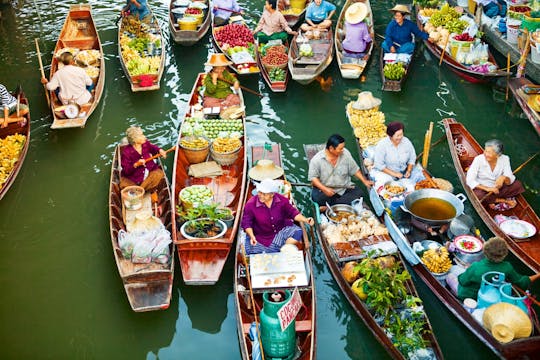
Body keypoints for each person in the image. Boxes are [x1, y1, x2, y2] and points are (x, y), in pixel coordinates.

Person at [446, 237, 540, 300]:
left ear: (485, 251)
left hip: (468, 295)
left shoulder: (475, 267)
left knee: (450, 273)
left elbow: (462, 281)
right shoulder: (507, 267)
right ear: (504, 254)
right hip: (488, 296)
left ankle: (454, 294)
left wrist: (468, 270)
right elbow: (522, 282)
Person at [241, 178, 314, 254]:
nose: (261, 195)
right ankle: (278, 247)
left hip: (280, 228)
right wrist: (252, 236)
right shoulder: (250, 204)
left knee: (298, 232)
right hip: (262, 235)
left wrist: (306, 220)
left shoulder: (282, 200)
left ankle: (283, 248)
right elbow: (246, 223)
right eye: (260, 192)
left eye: (264, 194)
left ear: (272, 194)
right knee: (255, 250)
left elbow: (293, 213)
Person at [308, 134, 373, 207]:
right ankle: (338, 204)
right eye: (340, 149)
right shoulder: (317, 160)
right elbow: (313, 178)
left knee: (359, 193)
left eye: (343, 148)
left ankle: (329, 207)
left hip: (343, 188)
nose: (343, 150)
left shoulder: (345, 153)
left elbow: (354, 169)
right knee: (317, 198)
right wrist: (325, 189)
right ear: (331, 148)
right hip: (325, 189)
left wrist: (364, 181)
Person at [465, 139, 525, 210]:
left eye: (489, 152)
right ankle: (501, 200)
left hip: (497, 188)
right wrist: (487, 188)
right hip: (483, 189)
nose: (485, 154)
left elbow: (510, 179)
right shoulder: (479, 159)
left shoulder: (505, 159)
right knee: (477, 195)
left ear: (497, 155)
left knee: (517, 185)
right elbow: (469, 180)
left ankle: (491, 200)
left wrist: (504, 178)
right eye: (485, 151)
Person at [371, 121, 425, 186]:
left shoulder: (406, 142)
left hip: (404, 172)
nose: (400, 137)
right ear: (390, 136)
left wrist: (409, 170)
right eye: (397, 135)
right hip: (388, 174)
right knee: (386, 183)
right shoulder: (382, 145)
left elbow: (412, 158)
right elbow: (379, 165)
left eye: (401, 134)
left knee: (419, 176)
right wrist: (395, 174)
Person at [120, 126, 167, 192]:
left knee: (158, 174)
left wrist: (160, 150)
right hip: (134, 178)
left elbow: (153, 148)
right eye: (141, 135)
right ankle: (143, 190)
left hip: (149, 172)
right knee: (124, 184)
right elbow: (126, 171)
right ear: (134, 140)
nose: (144, 137)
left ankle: (139, 191)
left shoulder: (146, 143)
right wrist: (135, 165)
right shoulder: (126, 153)